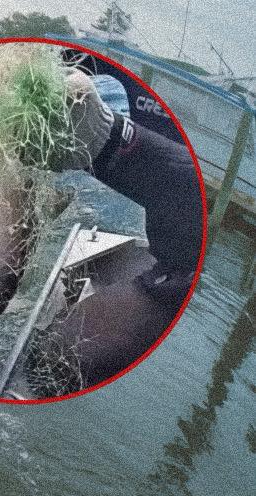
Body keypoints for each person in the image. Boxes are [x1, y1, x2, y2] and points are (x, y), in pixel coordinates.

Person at [25, 68, 203, 395]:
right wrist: (104, 139)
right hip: (175, 264)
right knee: (53, 355)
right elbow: (185, 187)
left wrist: (99, 136)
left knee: (57, 355)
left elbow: (188, 186)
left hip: (175, 272)